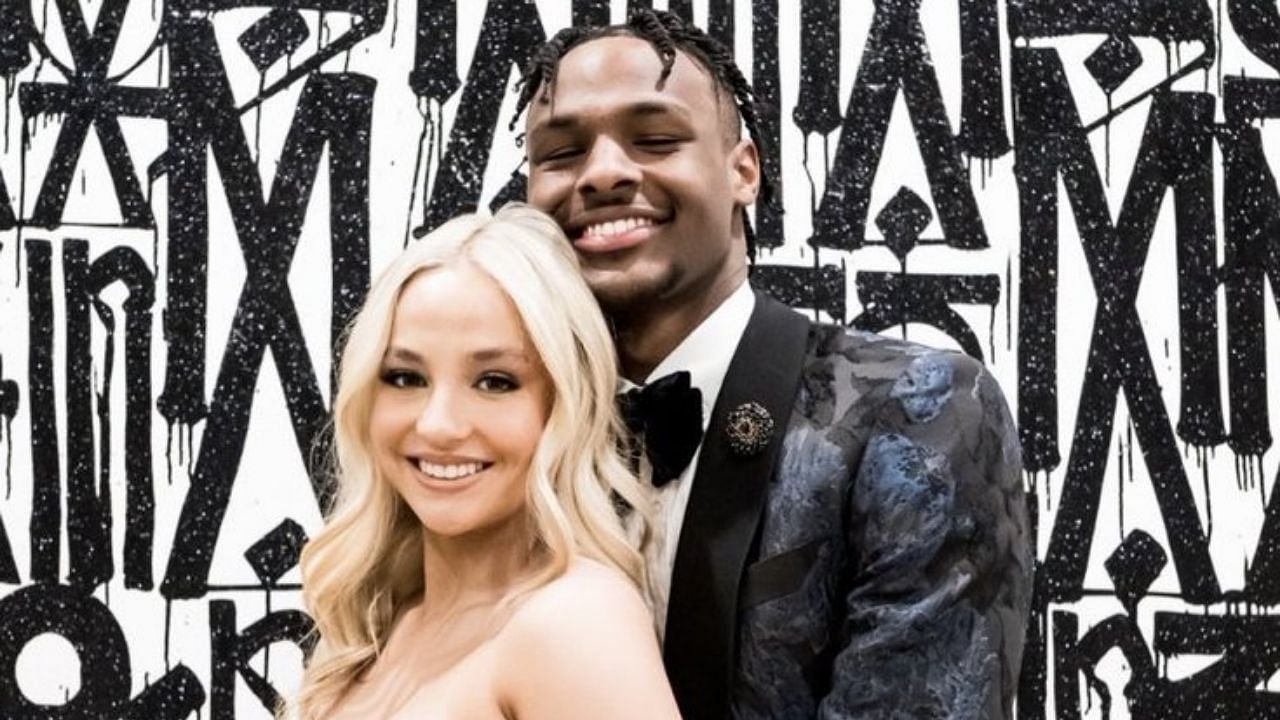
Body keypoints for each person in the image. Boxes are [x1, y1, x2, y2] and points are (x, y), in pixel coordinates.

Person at [517, 9, 1032, 719]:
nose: (603, 172)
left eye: (656, 138)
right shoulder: (507, 431)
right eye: (560, 154)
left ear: (744, 171)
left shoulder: (918, 406)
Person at [286, 205, 681, 719]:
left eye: (495, 382)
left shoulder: (575, 621)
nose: (438, 425)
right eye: (405, 377)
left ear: (564, 404)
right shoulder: (384, 623)